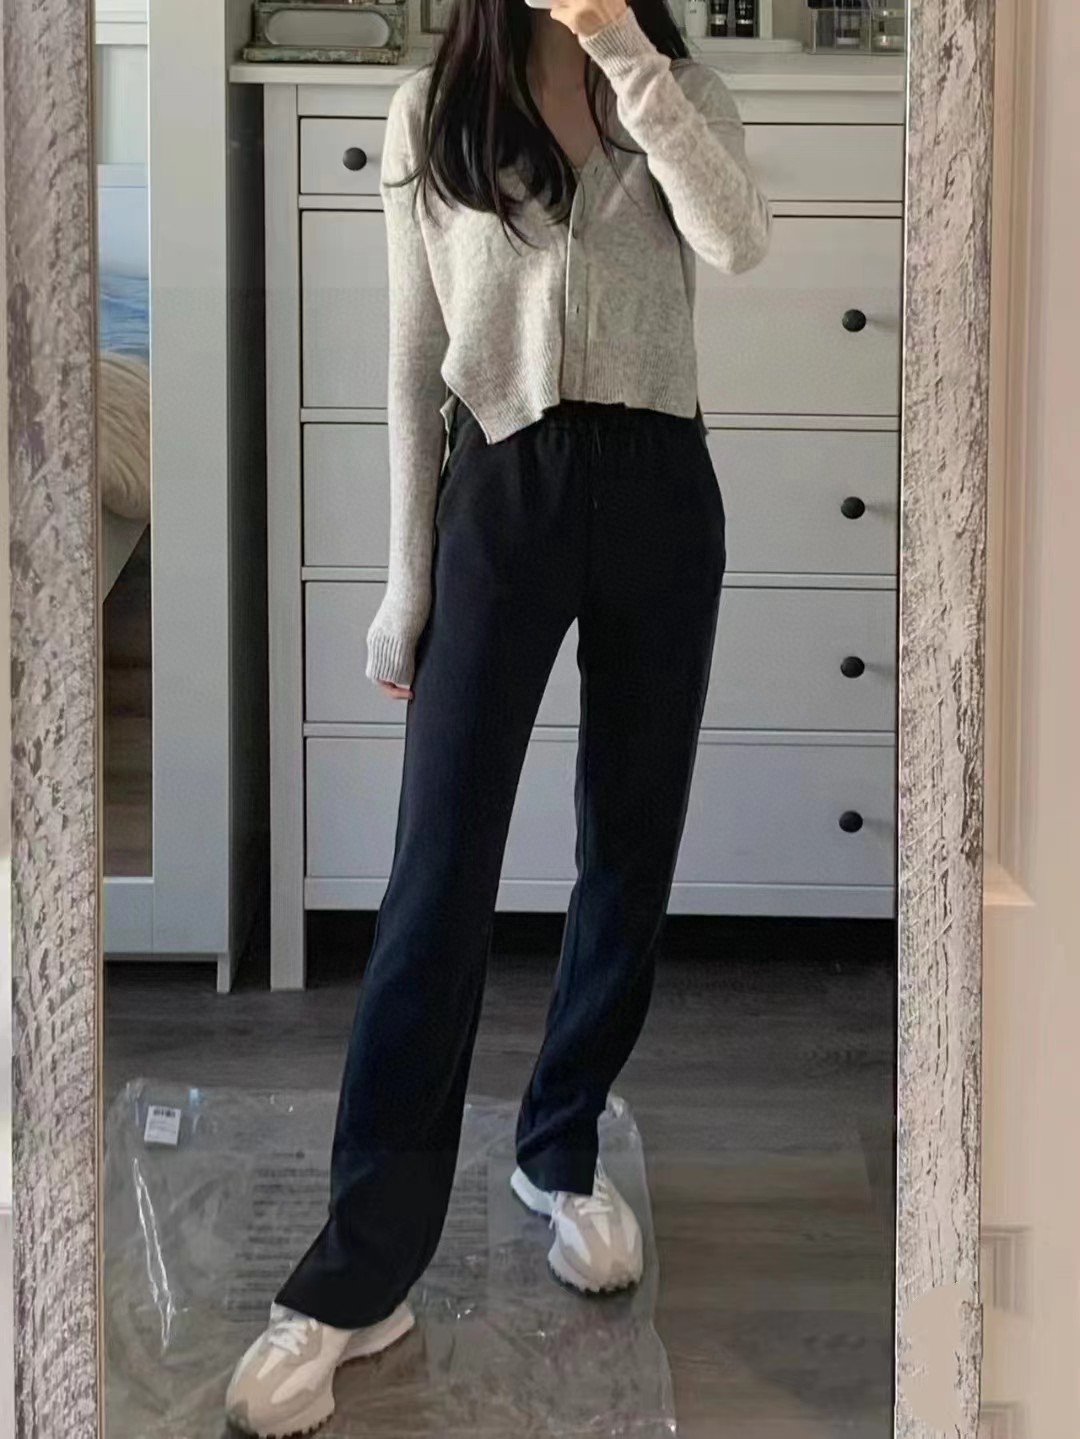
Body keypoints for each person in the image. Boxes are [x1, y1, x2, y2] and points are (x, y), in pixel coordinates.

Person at [225, 0, 769, 1431]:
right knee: (439, 875)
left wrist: (625, 54)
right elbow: (414, 362)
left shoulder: (680, 88)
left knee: (629, 849)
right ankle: (361, 1274)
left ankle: (559, 1146)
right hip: (505, 493)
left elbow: (738, 241)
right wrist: (405, 582)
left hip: (661, 488)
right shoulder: (432, 114)